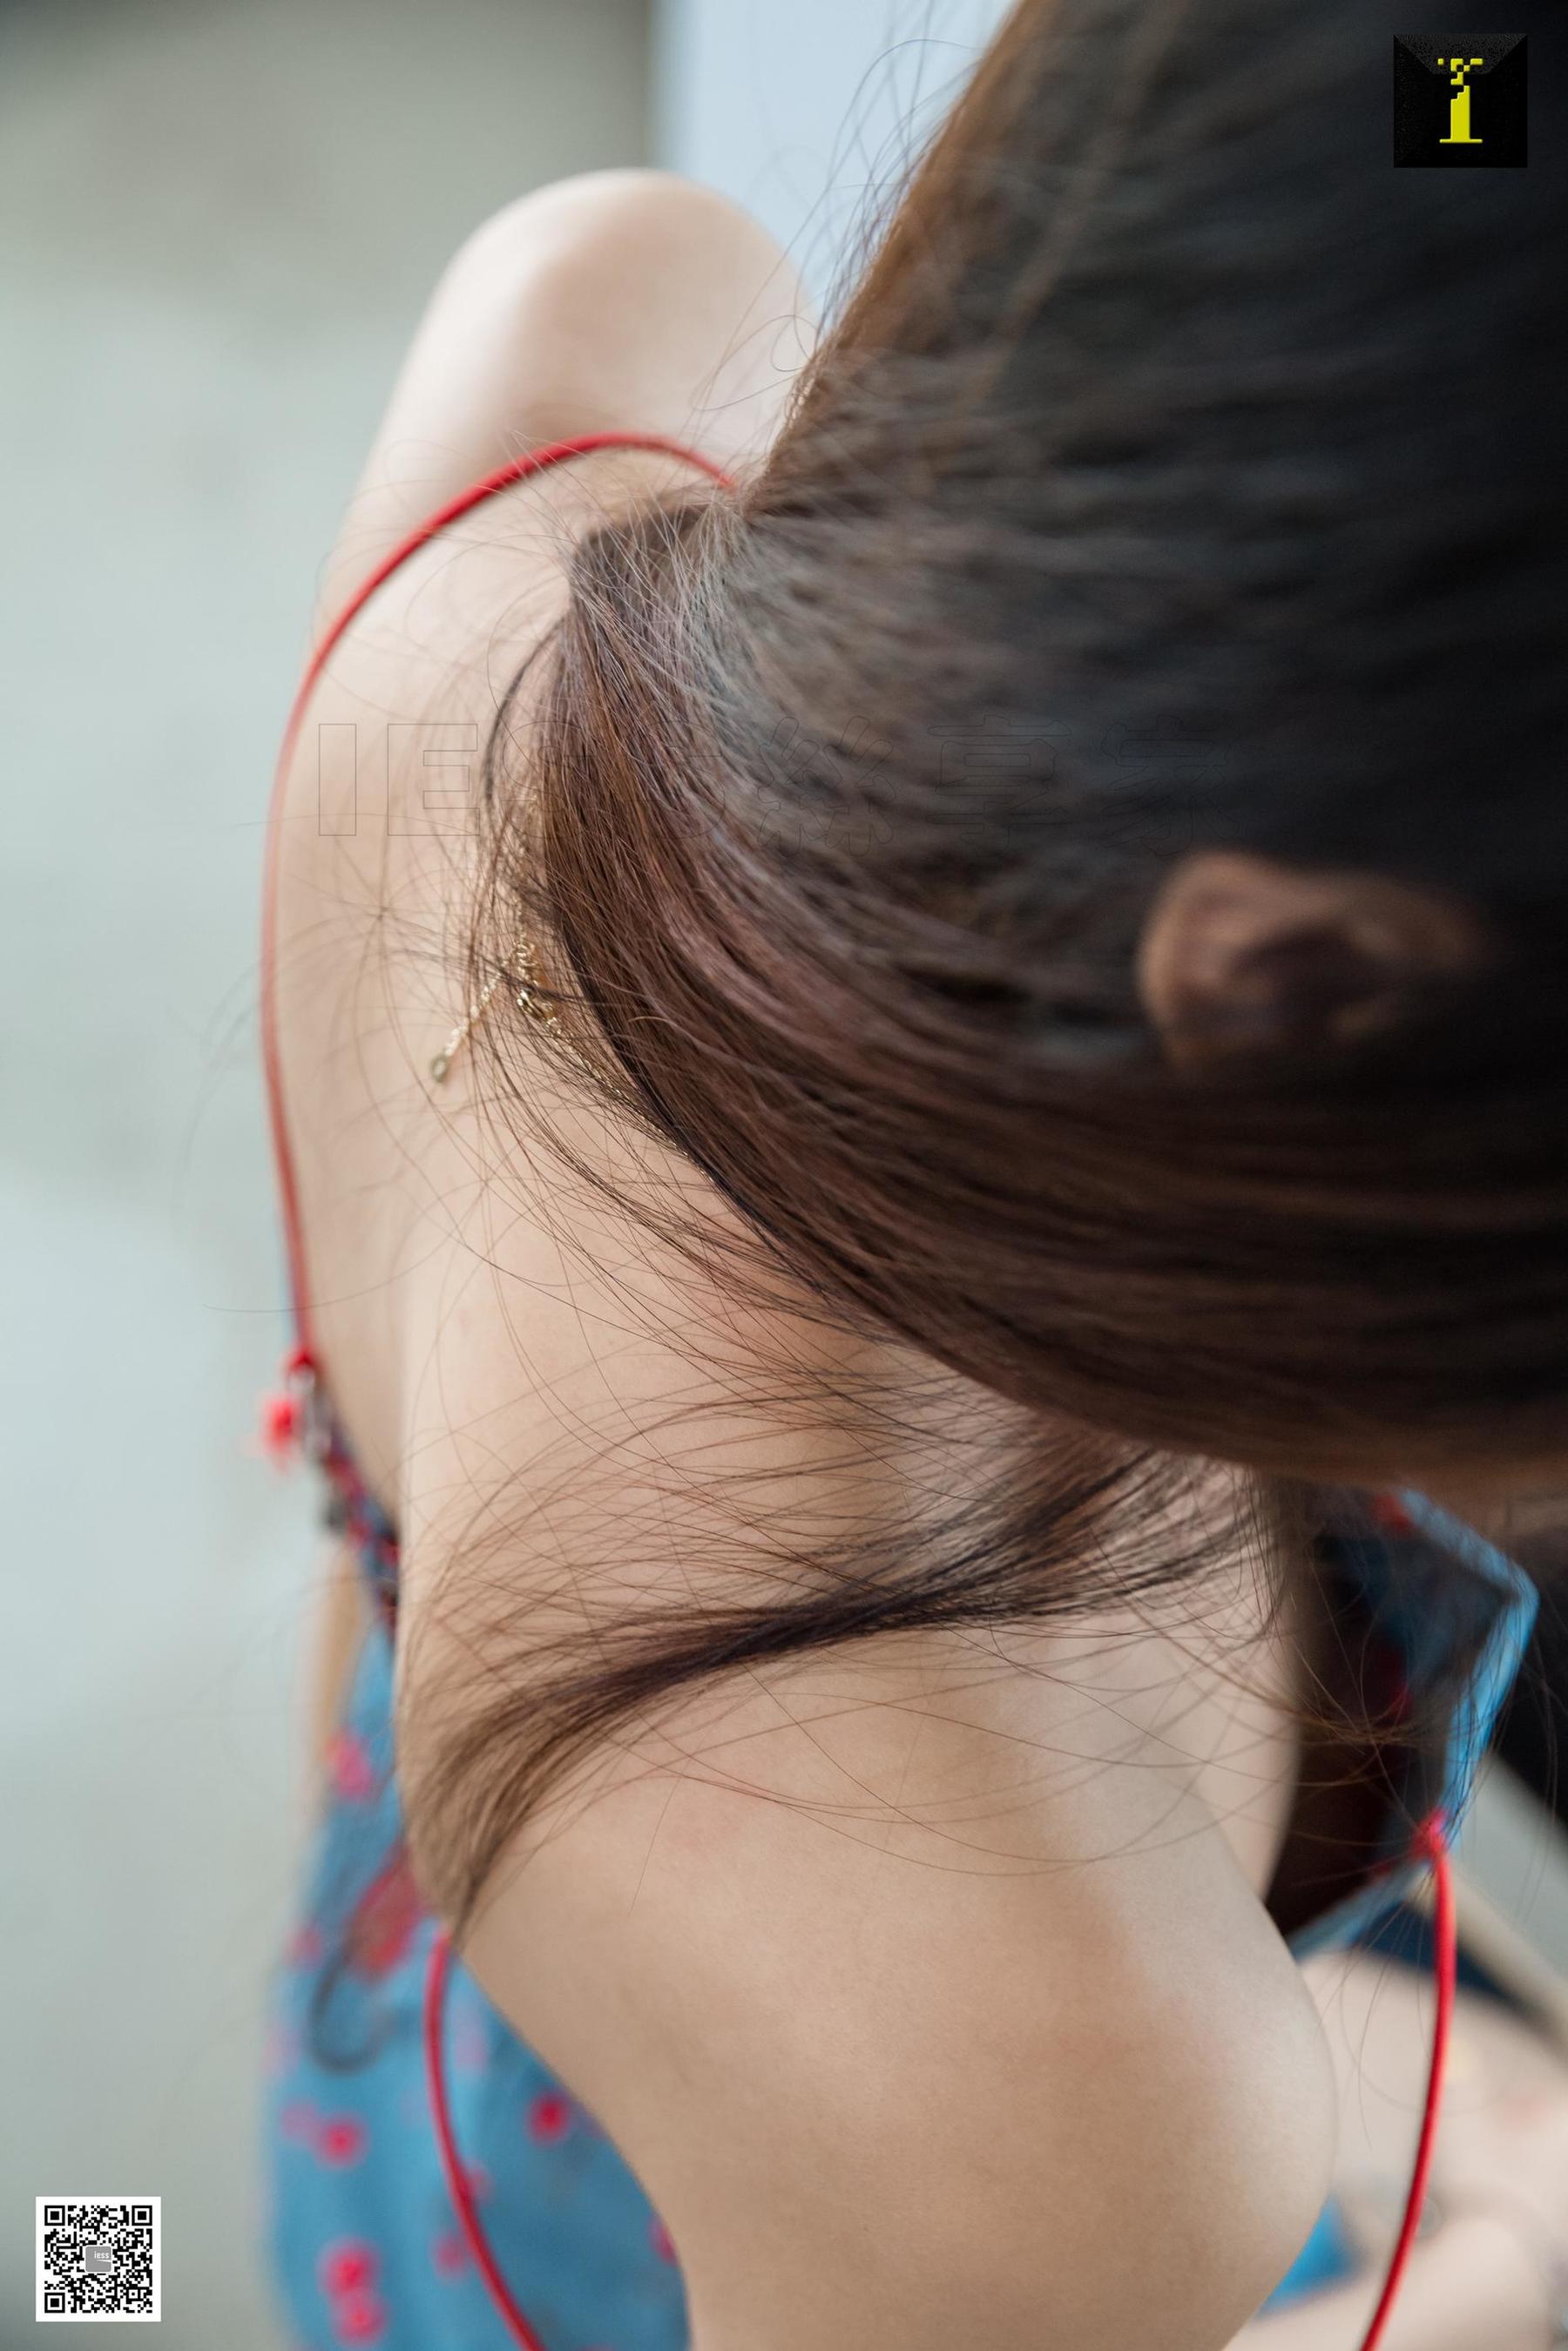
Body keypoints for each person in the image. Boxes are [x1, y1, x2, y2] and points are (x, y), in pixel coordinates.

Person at [260, 3, 1568, 2346]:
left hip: (498, 2005)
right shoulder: (1072, 2089)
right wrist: (1516, 2259)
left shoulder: (599, 336)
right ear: (1291, 988)